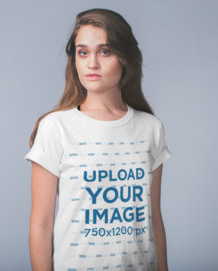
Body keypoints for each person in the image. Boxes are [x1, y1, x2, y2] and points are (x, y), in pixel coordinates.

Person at [24, 8, 172, 271]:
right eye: (83, 52)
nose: (92, 63)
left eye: (105, 51)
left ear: (125, 58)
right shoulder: (55, 128)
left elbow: (154, 219)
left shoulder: (151, 128)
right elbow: (41, 224)